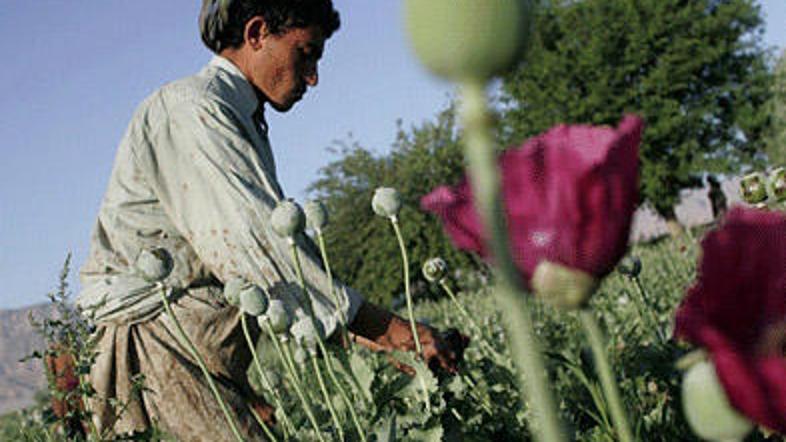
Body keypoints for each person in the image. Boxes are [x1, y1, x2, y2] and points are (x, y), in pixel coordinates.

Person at [74, 1, 466, 439]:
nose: (313, 76)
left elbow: (274, 266)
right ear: (257, 33)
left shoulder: (236, 114)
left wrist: (383, 341)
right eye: (306, 53)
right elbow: (259, 249)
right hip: (154, 343)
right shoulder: (189, 109)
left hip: (200, 347)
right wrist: (394, 333)